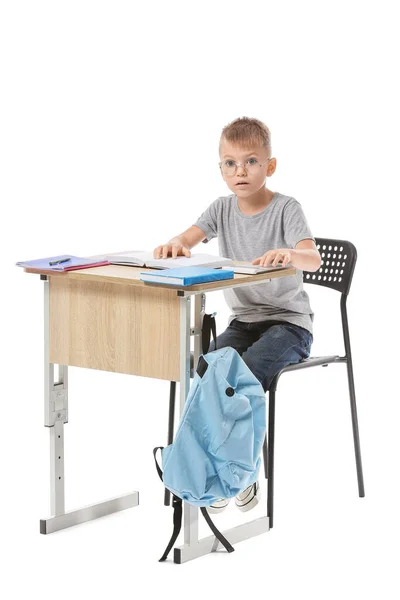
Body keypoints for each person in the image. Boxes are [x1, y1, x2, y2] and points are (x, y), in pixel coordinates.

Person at [153, 116, 321, 514]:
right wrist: (176, 244)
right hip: (244, 322)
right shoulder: (221, 209)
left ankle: (239, 475)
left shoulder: (286, 208)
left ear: (270, 166)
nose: (239, 171)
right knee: (207, 370)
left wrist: (290, 254)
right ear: (220, 169)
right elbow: (188, 237)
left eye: (250, 161)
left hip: (288, 325)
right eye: (230, 163)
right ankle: (216, 472)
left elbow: (311, 258)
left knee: (240, 377)